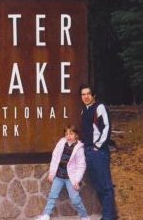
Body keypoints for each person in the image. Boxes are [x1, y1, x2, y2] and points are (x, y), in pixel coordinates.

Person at [36, 125, 90, 220]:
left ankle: (84, 216)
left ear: (76, 135)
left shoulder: (79, 148)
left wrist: (77, 180)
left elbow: (81, 165)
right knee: (52, 195)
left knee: (75, 199)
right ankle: (46, 215)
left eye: (71, 134)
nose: (68, 136)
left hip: (71, 178)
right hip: (59, 176)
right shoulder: (61, 143)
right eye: (67, 134)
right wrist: (52, 173)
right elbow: (55, 157)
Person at [79, 84, 117, 220]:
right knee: (98, 185)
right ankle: (108, 214)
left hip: (98, 153)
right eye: (83, 94)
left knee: (106, 186)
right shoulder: (84, 110)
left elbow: (106, 127)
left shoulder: (99, 107)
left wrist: (97, 146)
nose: (86, 96)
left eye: (88, 93)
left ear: (93, 95)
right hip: (88, 152)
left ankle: (109, 217)